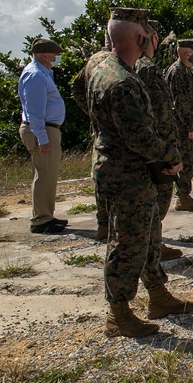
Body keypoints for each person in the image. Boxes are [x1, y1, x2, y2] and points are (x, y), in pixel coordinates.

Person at [86, 7, 193, 338]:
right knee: (128, 243)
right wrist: (171, 156)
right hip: (127, 173)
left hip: (125, 167)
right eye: (149, 35)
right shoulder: (122, 82)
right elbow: (140, 136)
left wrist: (104, 131)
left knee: (149, 235)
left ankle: (158, 295)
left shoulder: (98, 64)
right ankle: (119, 315)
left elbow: (82, 94)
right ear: (140, 38)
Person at [136, 20, 184, 261]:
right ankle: (154, 246)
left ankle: (148, 245)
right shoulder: (149, 69)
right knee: (160, 197)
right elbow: (163, 113)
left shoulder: (114, 64)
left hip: (135, 144)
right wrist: (170, 151)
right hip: (155, 146)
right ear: (150, 39)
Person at [18, 37, 68, 234]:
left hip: (47, 128)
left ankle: (46, 215)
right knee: (44, 175)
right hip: (43, 129)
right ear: (46, 55)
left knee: (46, 175)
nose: (57, 58)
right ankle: (41, 220)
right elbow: (35, 110)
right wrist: (43, 139)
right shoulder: (36, 75)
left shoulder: (42, 73)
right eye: (55, 55)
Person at [71, 30, 113, 240]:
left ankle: (103, 224)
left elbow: (76, 87)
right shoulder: (116, 62)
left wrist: (91, 111)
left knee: (101, 177)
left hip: (98, 129)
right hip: (115, 130)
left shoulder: (93, 59)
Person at [164, 38, 193, 211]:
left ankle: (184, 195)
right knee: (186, 161)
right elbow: (180, 103)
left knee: (190, 160)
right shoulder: (177, 72)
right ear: (185, 52)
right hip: (182, 127)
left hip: (186, 125)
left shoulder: (185, 70)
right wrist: (190, 126)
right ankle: (183, 197)